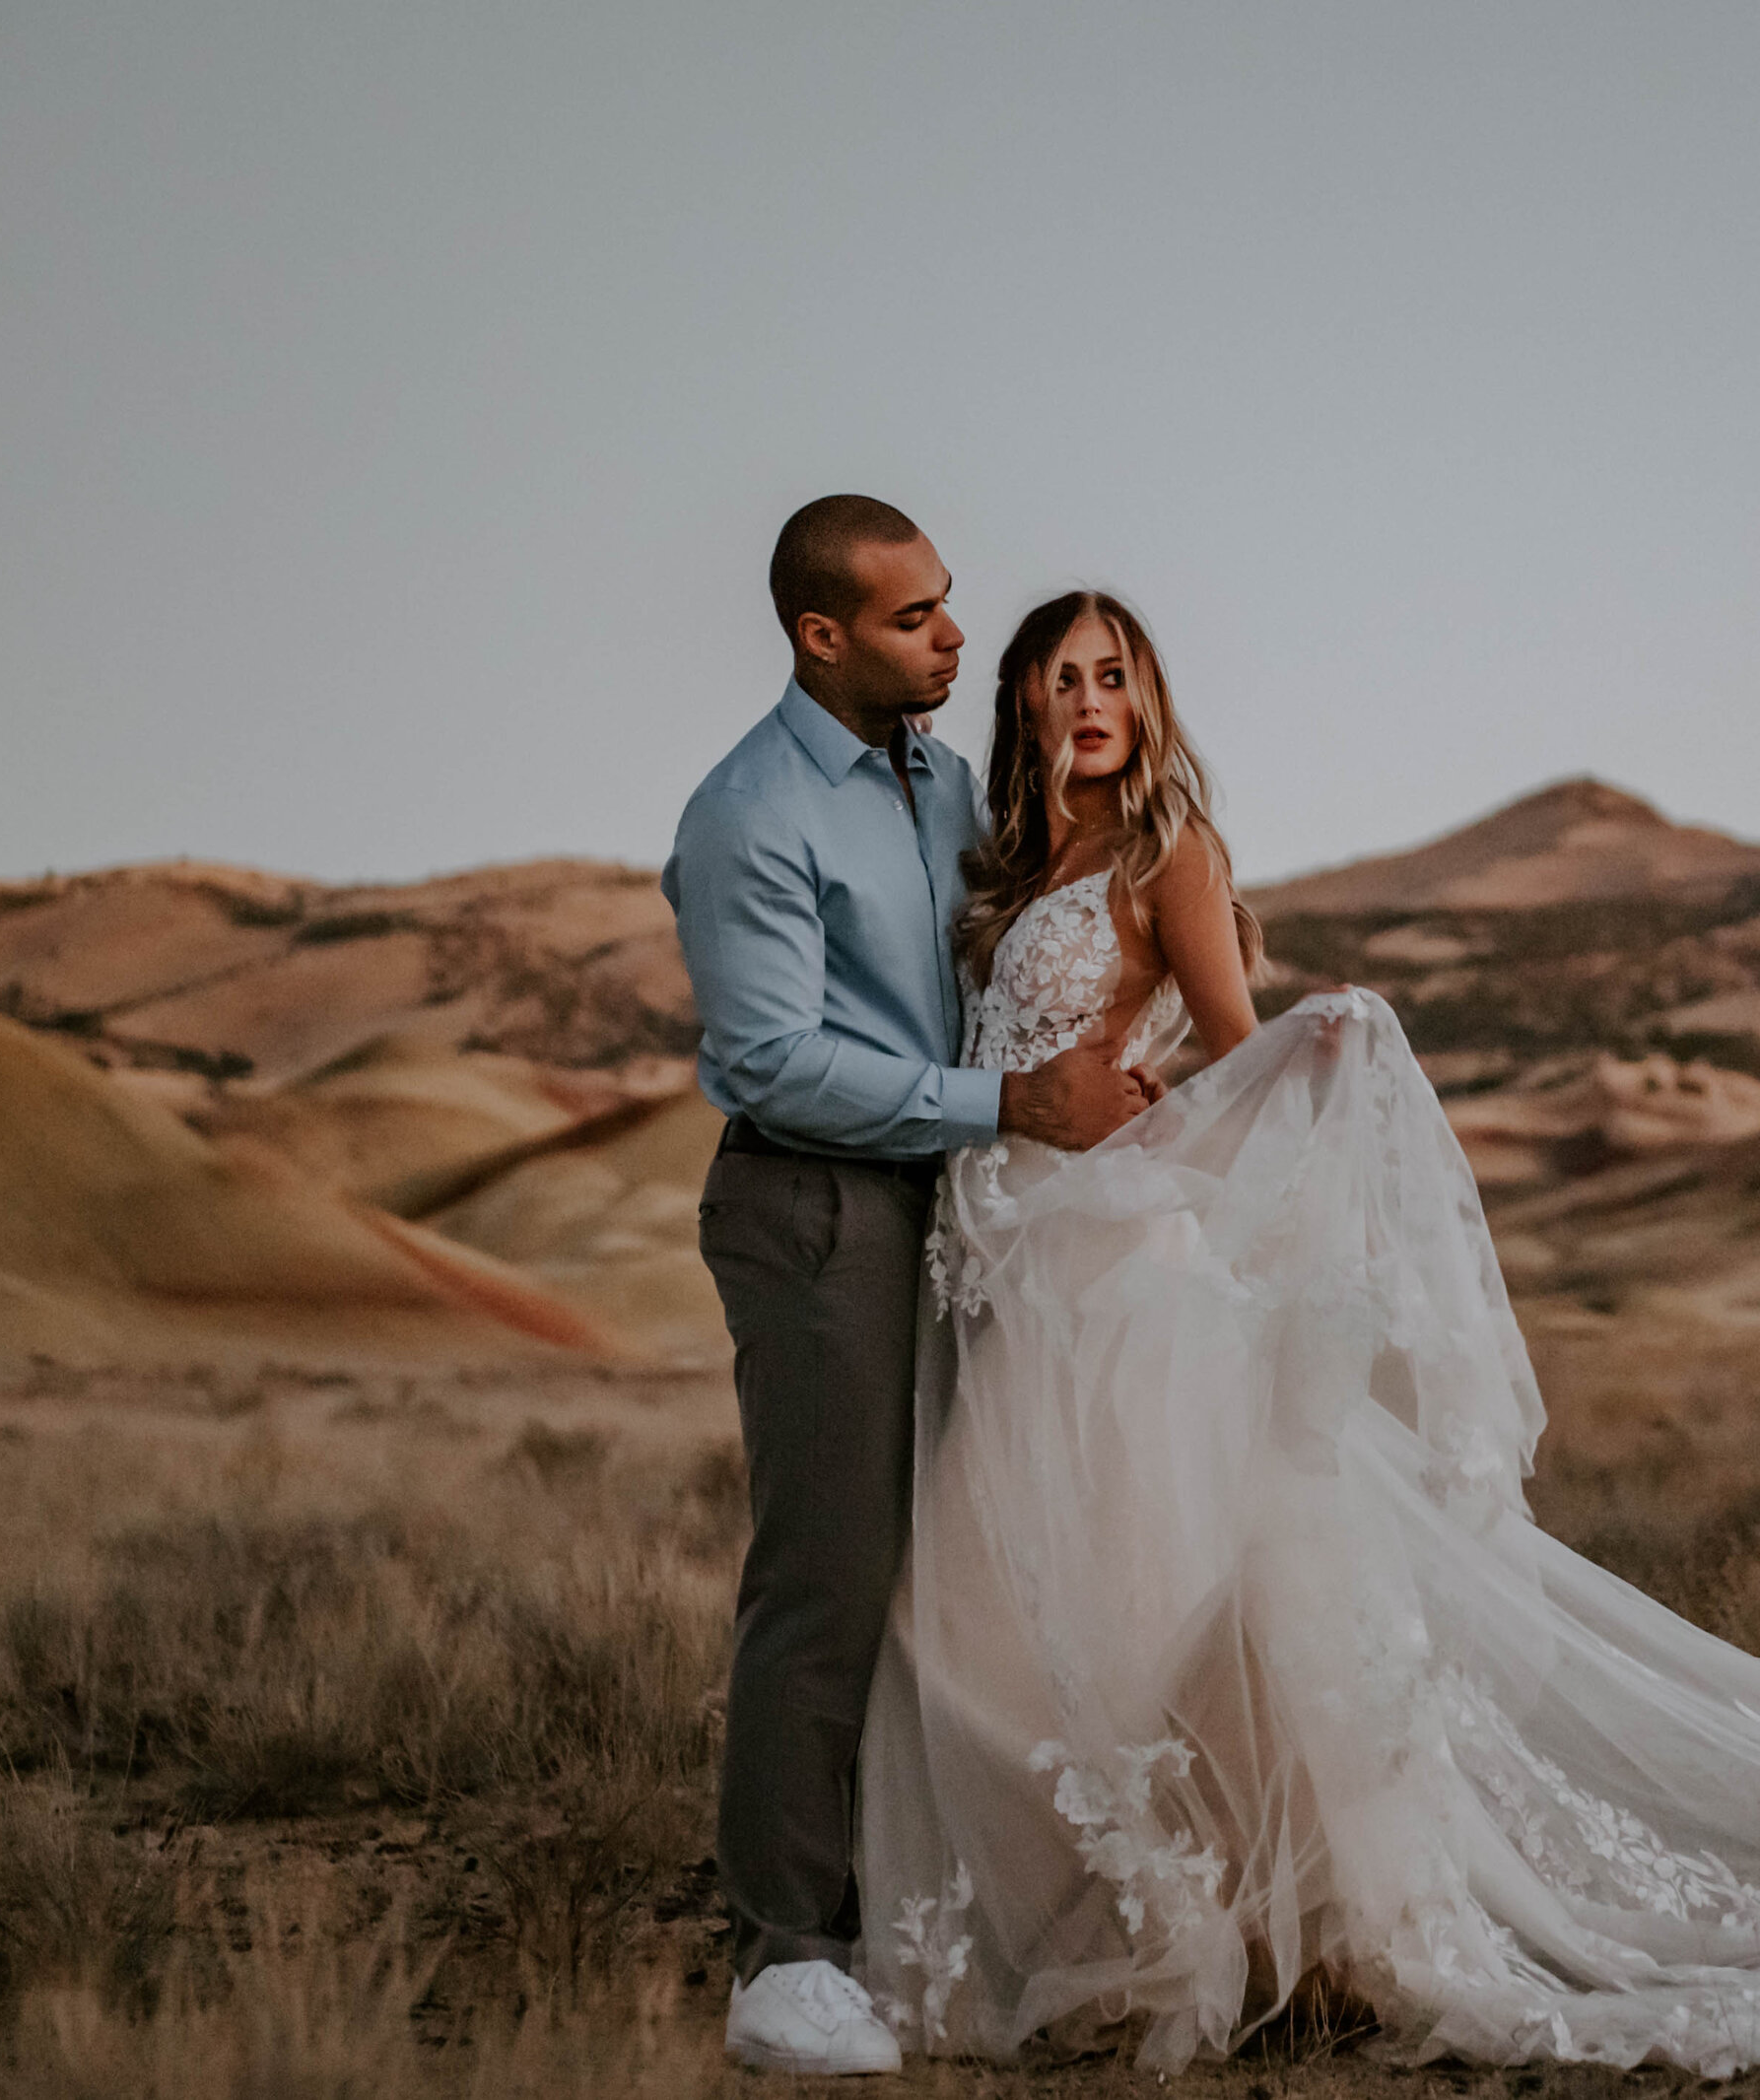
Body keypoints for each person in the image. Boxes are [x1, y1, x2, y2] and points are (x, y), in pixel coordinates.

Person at [848, 590, 1760, 2076]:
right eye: (1059, 678)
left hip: (1122, 1303)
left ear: (1145, 699)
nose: (1087, 700)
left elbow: (1237, 1058)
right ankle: (1121, 1924)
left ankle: (1195, 1935)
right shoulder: (1018, 868)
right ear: (1026, 706)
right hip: (1020, 1298)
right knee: (986, 1625)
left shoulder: (1174, 853)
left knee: (1112, 1621)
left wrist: (1322, 1045)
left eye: (1112, 675)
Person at [663, 499, 1159, 2075]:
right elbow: (767, 1057)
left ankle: (921, 1895)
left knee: (961, 1560)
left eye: (947, 607)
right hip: (816, 1211)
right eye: (914, 619)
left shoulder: (948, 783)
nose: (957, 637)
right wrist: (1001, 1111)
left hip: (961, 1214)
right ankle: (785, 1959)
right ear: (823, 636)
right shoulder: (749, 815)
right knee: (831, 1567)